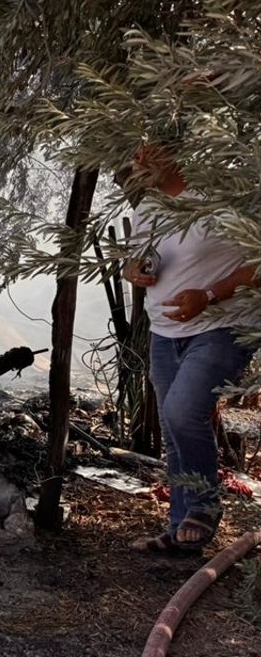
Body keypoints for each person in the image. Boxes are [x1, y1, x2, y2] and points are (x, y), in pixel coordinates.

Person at [124, 144, 258, 553]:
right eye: (135, 156)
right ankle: (180, 528)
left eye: (145, 155)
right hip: (165, 333)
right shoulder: (147, 207)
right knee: (173, 424)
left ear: (173, 154)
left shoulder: (221, 197)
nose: (137, 164)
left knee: (184, 412)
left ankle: (203, 507)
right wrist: (133, 271)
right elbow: (136, 259)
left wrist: (209, 294)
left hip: (223, 324)